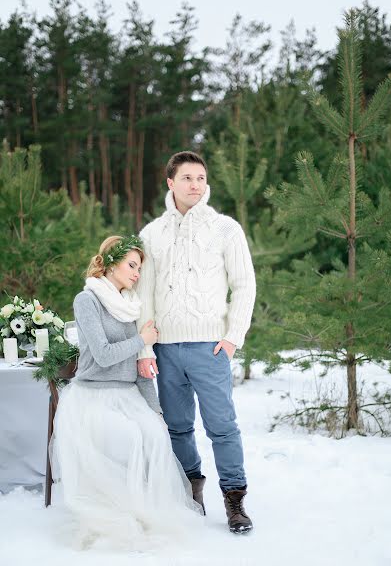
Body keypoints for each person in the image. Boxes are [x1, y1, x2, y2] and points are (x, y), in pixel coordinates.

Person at [51, 234, 202, 550]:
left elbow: (141, 370)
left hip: (127, 395)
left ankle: (144, 508)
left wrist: (156, 412)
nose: (136, 273)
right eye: (132, 265)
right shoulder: (87, 300)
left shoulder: (132, 307)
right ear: (110, 262)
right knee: (130, 439)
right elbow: (104, 354)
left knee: (155, 435)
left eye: (139, 268)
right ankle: (116, 510)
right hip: (93, 396)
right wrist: (141, 339)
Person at [136, 151, 256, 534]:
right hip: (167, 350)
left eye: (201, 178)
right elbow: (145, 293)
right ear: (170, 183)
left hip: (210, 347)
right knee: (177, 426)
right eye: (187, 178)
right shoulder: (151, 234)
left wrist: (233, 337)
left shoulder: (226, 229)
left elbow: (244, 285)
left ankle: (235, 501)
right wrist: (144, 347)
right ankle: (191, 490)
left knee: (222, 426)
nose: (195, 185)